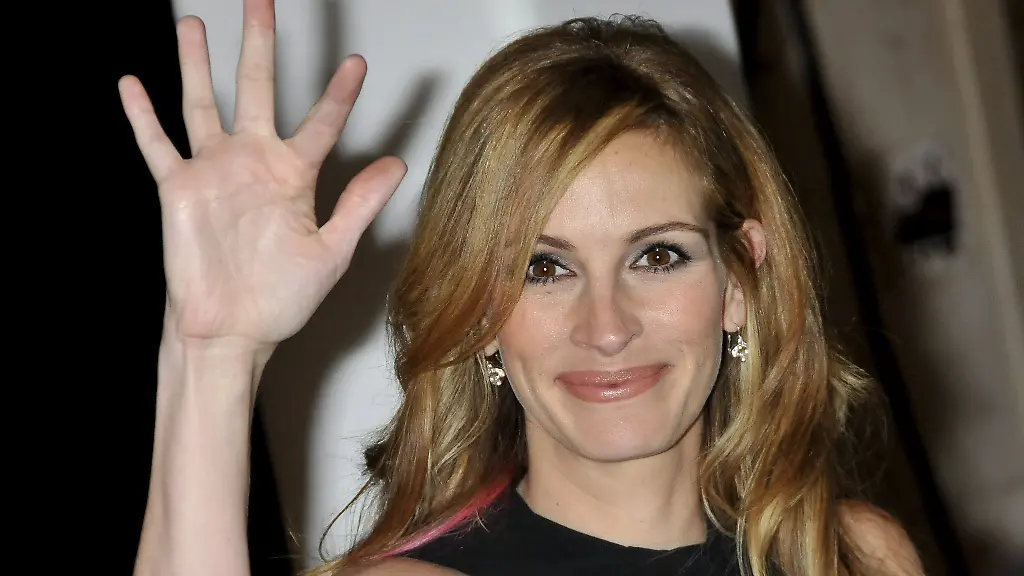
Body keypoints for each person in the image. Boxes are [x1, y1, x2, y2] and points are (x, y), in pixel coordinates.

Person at [123, 0, 925, 574]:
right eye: (545, 269)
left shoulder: (851, 555)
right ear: (480, 313)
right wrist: (215, 352)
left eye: (657, 256)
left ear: (739, 278)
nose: (606, 326)